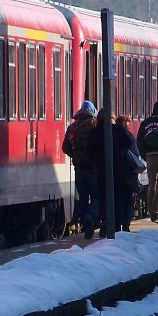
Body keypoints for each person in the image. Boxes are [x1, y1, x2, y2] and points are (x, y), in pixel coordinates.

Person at [62, 100, 99, 239]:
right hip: (94, 169)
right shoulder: (95, 126)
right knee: (96, 196)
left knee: (83, 197)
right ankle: (91, 216)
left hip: (79, 169)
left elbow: (65, 147)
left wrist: (76, 156)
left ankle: (85, 223)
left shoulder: (73, 128)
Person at [112, 115, 143, 232]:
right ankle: (125, 225)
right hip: (128, 176)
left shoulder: (111, 137)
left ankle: (115, 225)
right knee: (128, 200)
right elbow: (135, 156)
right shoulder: (129, 137)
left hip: (115, 175)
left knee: (117, 201)